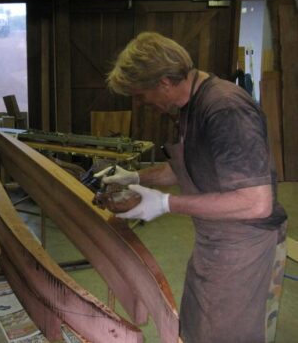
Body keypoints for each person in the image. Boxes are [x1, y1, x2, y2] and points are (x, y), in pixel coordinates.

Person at [95, 32, 287, 343]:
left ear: (164, 83)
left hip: (245, 245)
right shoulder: (190, 106)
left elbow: (256, 202)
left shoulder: (225, 109)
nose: (142, 103)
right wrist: (133, 177)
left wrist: (166, 204)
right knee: (198, 328)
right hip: (214, 239)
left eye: (141, 95)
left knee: (228, 335)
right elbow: (183, 167)